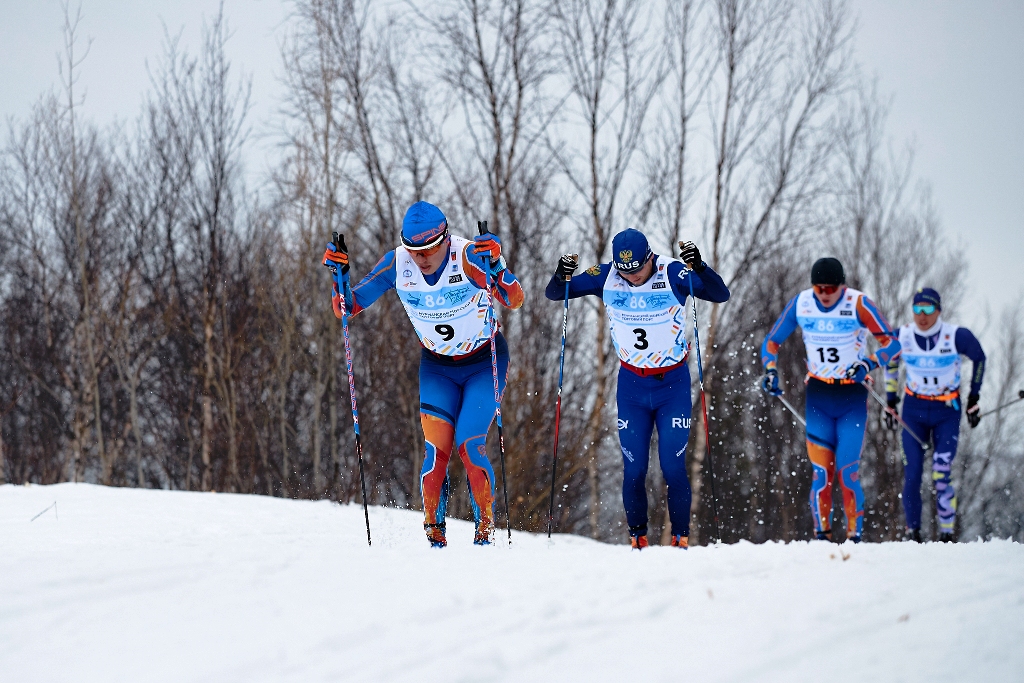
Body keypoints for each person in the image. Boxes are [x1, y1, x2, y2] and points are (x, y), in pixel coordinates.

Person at [323, 201, 524, 547]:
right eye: (415, 250)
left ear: (446, 238)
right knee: (435, 454)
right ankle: (434, 537)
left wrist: (497, 266)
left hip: (483, 361)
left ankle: (485, 532)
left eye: (430, 248)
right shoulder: (397, 263)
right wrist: (338, 279)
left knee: (469, 445)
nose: (423, 258)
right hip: (438, 368)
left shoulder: (468, 257)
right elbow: (348, 308)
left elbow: (514, 299)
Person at [544, 229, 730, 549]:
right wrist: (561, 274)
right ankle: (638, 539)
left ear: (649, 258)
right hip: (631, 386)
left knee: (673, 466)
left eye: (637, 270)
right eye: (624, 272)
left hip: (672, 384)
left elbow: (719, 294)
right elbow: (555, 293)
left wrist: (699, 267)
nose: (631, 278)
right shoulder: (606, 275)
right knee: (634, 469)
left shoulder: (672, 271)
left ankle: (680, 539)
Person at [760, 258, 900, 543]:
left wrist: (869, 364)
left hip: (851, 396)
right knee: (821, 473)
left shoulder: (859, 304)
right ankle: (821, 539)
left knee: (847, 472)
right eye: (819, 288)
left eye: (830, 288)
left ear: (842, 286)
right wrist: (771, 370)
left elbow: (893, 344)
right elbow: (771, 342)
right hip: (819, 396)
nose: (824, 293)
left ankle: (854, 539)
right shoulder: (802, 303)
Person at [883, 287, 985, 543]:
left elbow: (979, 358)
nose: (922, 315)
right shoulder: (903, 335)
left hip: (945, 413)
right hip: (913, 411)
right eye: (917, 309)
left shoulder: (955, 335)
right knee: (913, 473)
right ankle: (913, 533)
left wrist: (974, 398)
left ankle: (947, 534)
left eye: (928, 309)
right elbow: (890, 362)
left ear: (938, 310)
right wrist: (891, 401)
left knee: (941, 471)